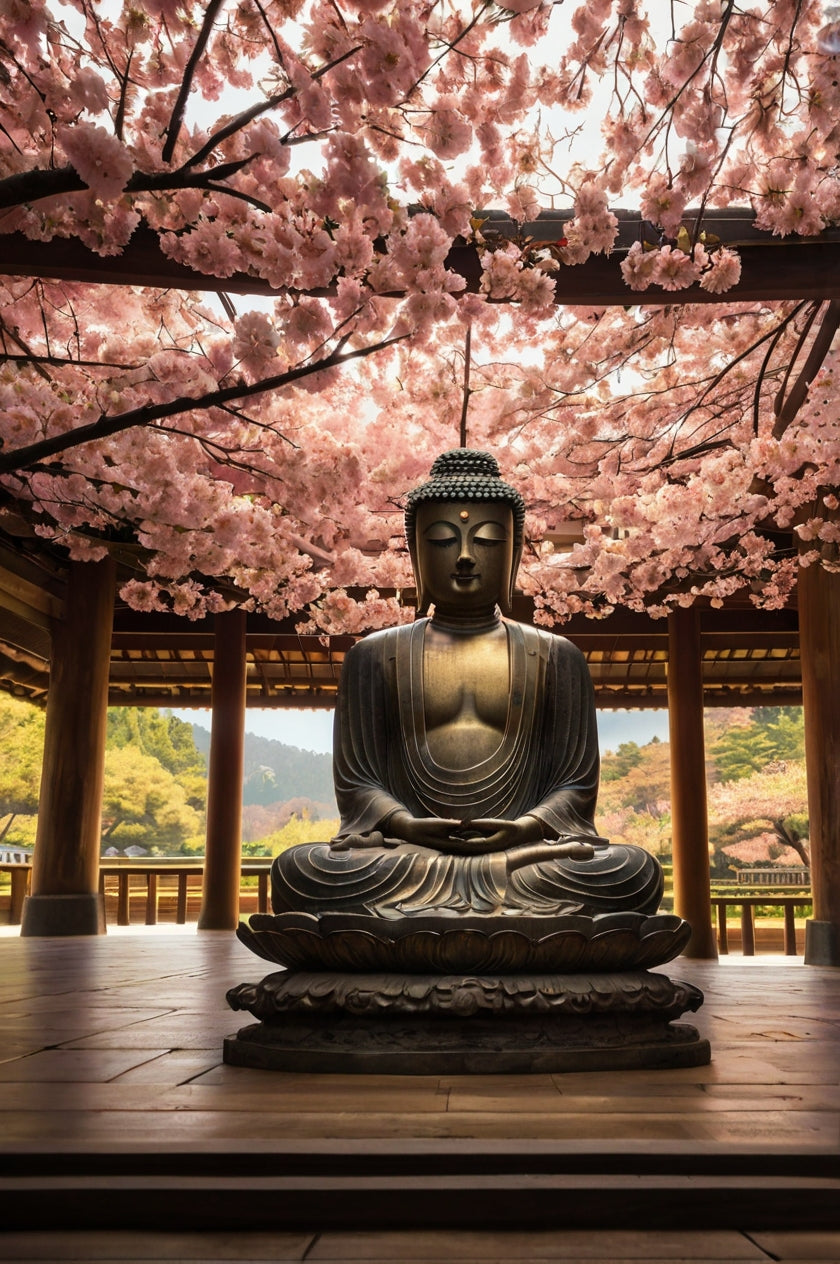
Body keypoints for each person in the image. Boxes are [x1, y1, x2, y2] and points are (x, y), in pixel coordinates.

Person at [271, 449, 662, 920]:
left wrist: (526, 828)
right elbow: (359, 784)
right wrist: (407, 826)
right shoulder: (374, 655)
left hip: (523, 857)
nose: (463, 557)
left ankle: (422, 927)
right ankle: (518, 927)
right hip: (408, 855)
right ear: (415, 553)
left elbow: (574, 787)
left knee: (631, 872)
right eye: (440, 541)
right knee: (300, 870)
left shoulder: (557, 657)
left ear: (514, 553)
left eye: (488, 540)